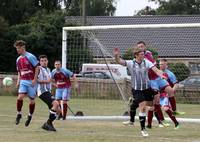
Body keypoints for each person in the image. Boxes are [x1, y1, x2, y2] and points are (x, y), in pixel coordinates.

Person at [114, 46, 167, 137]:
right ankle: (143, 129)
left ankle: (134, 103)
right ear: (136, 55)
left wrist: (161, 75)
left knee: (151, 107)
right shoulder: (130, 63)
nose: (143, 55)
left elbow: (156, 70)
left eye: (144, 54)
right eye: (141, 54)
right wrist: (116, 56)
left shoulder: (147, 62)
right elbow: (119, 61)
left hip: (147, 88)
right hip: (137, 90)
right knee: (142, 107)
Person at [14, 40, 39, 127]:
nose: (17, 50)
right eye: (16, 48)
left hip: (31, 81)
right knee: (20, 97)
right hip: (23, 81)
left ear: (23, 48)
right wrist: (18, 81)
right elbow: (19, 72)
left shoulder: (30, 56)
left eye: (18, 48)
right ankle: (19, 114)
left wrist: (34, 80)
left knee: (32, 101)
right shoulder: (18, 59)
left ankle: (30, 116)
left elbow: (37, 68)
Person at [37, 55, 61, 131]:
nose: (44, 62)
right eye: (42, 61)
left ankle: (47, 125)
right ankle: (48, 123)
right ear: (39, 62)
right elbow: (35, 80)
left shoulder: (48, 69)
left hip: (48, 92)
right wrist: (46, 81)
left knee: (59, 110)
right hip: (42, 91)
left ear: (47, 61)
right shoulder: (38, 69)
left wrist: (54, 85)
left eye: (45, 60)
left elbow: (49, 81)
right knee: (56, 104)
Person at [159, 58, 182, 129]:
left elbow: (176, 84)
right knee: (154, 108)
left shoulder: (170, 74)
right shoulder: (158, 73)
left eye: (162, 64)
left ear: (166, 65)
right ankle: (160, 123)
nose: (161, 66)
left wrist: (171, 91)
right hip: (159, 94)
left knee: (166, 109)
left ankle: (176, 123)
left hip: (166, 95)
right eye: (160, 64)